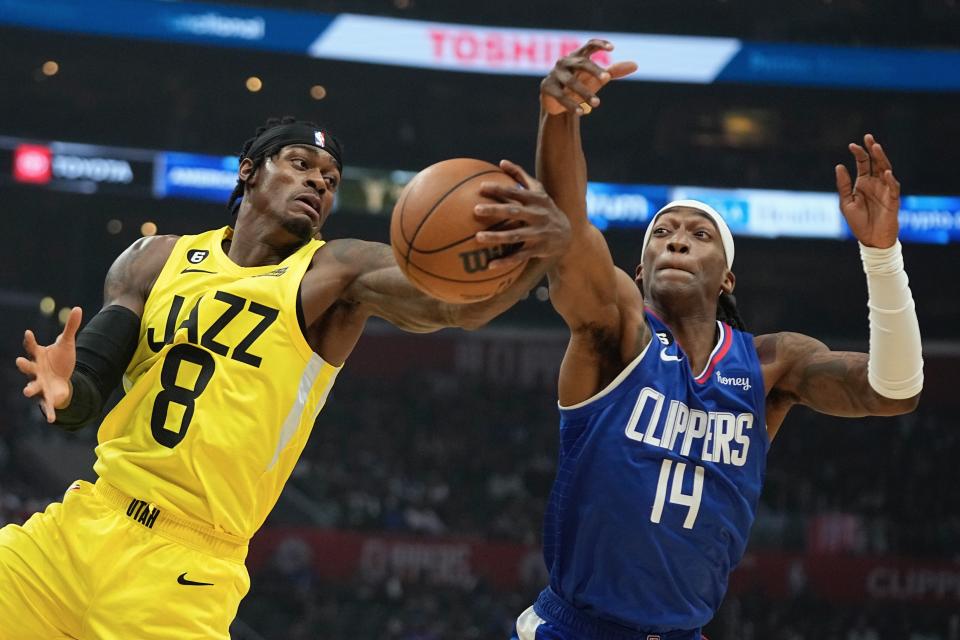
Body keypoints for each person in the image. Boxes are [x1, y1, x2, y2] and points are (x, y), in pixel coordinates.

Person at [2, 116, 571, 640]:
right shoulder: (153, 259)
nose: (319, 183)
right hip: (81, 525)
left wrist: (540, 249)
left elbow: (458, 308)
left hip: (183, 564)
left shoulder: (334, 274)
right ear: (249, 170)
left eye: (331, 179)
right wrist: (68, 390)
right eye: (301, 165)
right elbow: (83, 399)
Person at [512, 41, 924, 640]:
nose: (676, 241)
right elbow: (568, 231)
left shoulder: (773, 362)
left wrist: (882, 255)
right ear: (638, 270)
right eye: (661, 233)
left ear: (727, 275)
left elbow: (895, 392)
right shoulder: (617, 333)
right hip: (578, 629)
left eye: (698, 233)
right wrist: (559, 118)